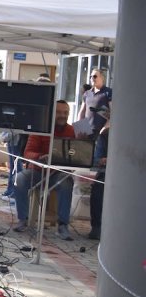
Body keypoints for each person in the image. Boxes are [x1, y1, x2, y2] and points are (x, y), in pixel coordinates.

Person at [13, 100, 76, 240]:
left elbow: (74, 153)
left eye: (65, 113)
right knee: (19, 179)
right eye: (59, 112)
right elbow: (27, 153)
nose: (62, 115)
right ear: (52, 114)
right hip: (37, 171)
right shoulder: (41, 128)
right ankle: (23, 219)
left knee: (66, 183)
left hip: (58, 172)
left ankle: (62, 225)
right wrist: (41, 157)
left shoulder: (71, 130)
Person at [88, 110, 109, 240]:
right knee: (98, 188)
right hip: (106, 172)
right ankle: (96, 227)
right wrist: (104, 160)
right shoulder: (105, 136)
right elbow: (95, 160)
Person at [77, 68, 112, 135]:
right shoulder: (87, 93)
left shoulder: (108, 92)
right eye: (91, 76)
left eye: (95, 76)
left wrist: (104, 129)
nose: (92, 78)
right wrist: (80, 129)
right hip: (87, 132)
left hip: (102, 132)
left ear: (102, 78)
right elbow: (82, 112)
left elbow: (112, 113)